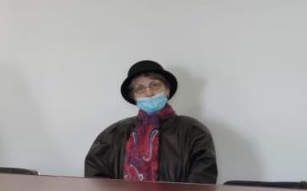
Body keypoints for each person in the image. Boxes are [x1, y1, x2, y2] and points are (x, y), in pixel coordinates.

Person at [84, 59, 218, 183]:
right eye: (140, 88)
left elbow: (201, 183)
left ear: (167, 89)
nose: (149, 93)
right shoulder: (113, 134)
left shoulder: (194, 132)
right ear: (133, 96)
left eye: (155, 85)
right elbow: (96, 179)